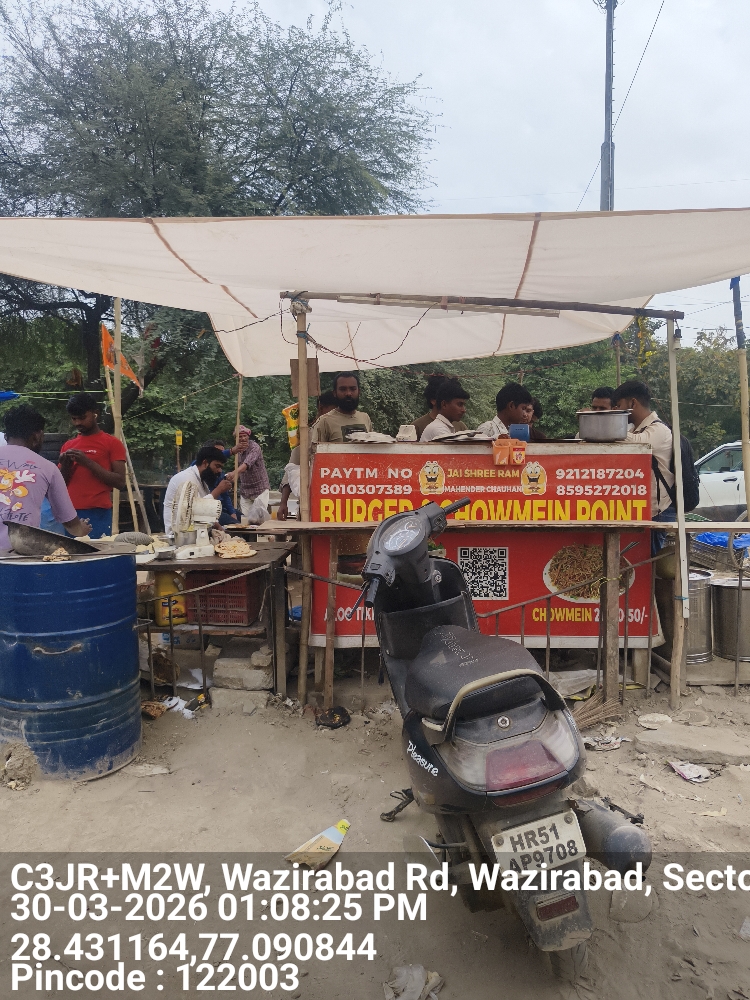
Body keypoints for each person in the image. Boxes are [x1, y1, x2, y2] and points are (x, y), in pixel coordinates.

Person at [0, 404, 90, 550]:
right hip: (18, 554)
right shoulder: (48, 468)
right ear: (37, 436)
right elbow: (70, 524)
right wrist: (81, 529)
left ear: (6, 436)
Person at [612, 379, 675, 553]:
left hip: (657, 511)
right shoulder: (634, 430)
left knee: (647, 561)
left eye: (619, 406)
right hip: (641, 511)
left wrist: (609, 425)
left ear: (633, 403)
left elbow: (638, 444)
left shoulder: (658, 430)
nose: (617, 410)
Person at [59, 392, 127, 538]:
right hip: (70, 513)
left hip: (98, 512)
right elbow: (60, 485)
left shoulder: (112, 443)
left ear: (96, 413)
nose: (78, 423)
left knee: (97, 550)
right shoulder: (68, 445)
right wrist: (65, 466)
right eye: (74, 419)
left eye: (82, 418)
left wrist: (88, 462)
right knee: (70, 551)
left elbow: (120, 482)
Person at [277, 392, 337, 521]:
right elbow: (292, 468)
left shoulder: (336, 429)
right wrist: (283, 502)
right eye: (332, 411)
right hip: (311, 504)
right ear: (321, 408)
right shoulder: (309, 433)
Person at [162, 446, 232, 535]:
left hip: (197, 533)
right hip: (180, 535)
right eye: (217, 466)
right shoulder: (186, 478)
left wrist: (218, 527)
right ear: (205, 463)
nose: (219, 471)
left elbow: (207, 513)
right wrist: (218, 490)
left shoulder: (201, 481)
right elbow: (195, 510)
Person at [312, 372, 373, 443]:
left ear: (359, 392)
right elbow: (316, 449)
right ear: (335, 393)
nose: (348, 393)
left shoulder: (365, 417)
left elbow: (371, 447)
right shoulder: (324, 421)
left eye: (353, 389)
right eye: (343, 389)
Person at [195, 439, 240, 526]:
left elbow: (225, 496)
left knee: (245, 519)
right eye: (218, 453)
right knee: (236, 526)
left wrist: (232, 512)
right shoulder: (196, 472)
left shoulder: (215, 473)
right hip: (211, 510)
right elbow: (199, 509)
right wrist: (230, 451)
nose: (219, 470)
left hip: (221, 508)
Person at [412, 374, 468, 441]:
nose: (464, 410)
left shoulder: (459, 426)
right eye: (459, 404)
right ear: (443, 404)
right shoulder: (438, 429)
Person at [231, 425, 271, 519]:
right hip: (245, 490)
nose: (243, 438)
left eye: (245, 436)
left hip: (260, 488)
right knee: (246, 519)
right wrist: (233, 478)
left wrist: (234, 473)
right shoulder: (237, 451)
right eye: (240, 436)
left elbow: (246, 464)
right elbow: (238, 467)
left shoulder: (254, 447)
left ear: (248, 436)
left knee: (259, 518)